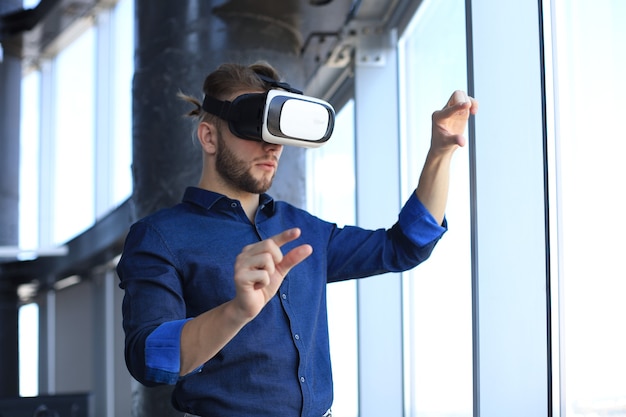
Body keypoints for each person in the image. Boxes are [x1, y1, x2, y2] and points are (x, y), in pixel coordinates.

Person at [117, 61, 478, 417]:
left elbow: (405, 246)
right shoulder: (159, 237)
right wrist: (236, 311)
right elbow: (149, 359)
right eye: (252, 128)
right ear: (209, 136)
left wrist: (440, 152)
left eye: (275, 132)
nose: (271, 147)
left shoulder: (304, 230)